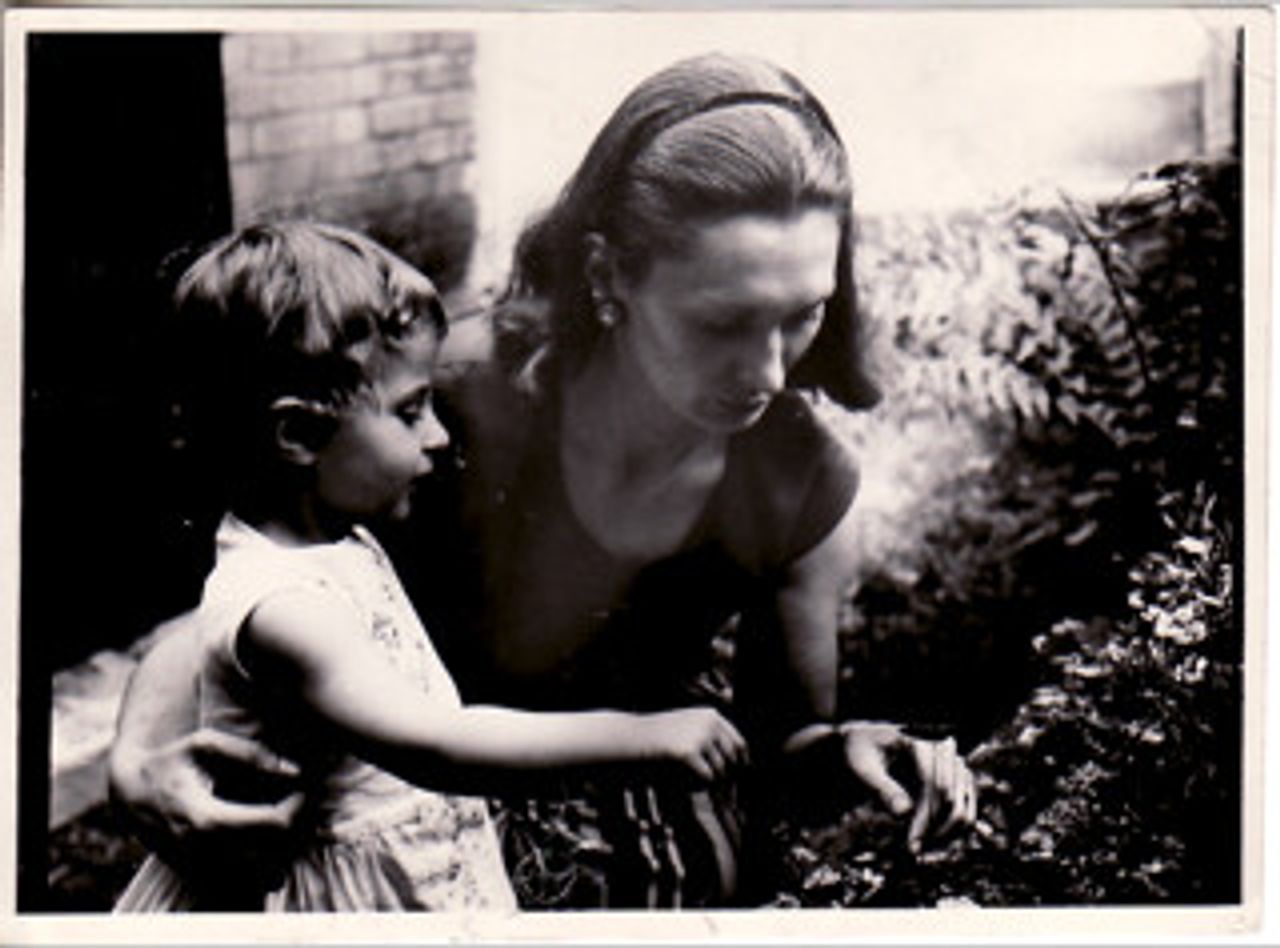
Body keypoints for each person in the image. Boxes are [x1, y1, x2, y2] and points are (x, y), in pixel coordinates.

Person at [110, 53, 977, 910]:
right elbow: (246, 600)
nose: (769, 372)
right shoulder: (447, 407)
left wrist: (851, 751)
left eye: (804, 313)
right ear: (606, 277)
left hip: (633, 809)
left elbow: (774, 742)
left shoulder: (802, 476)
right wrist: (135, 767)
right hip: (416, 806)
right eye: (725, 320)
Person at [111, 221, 747, 912]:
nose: (440, 437)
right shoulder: (288, 607)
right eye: (411, 412)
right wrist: (641, 736)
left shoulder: (334, 536)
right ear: (297, 435)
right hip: (330, 896)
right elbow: (437, 742)